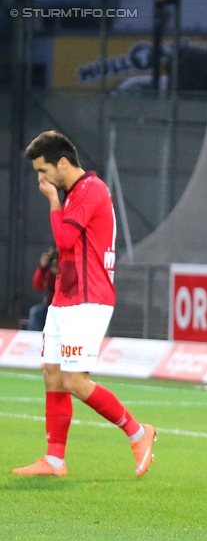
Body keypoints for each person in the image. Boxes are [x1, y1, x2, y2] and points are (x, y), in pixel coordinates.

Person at [15, 131, 156, 478]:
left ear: (63, 163)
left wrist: (51, 200)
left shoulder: (90, 189)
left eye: (43, 171)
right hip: (66, 298)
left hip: (88, 299)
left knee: (75, 381)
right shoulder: (74, 191)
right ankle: (54, 460)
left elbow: (64, 240)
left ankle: (138, 433)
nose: (41, 179)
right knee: (52, 375)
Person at [28, 247, 58, 331]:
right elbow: (38, 286)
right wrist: (42, 268)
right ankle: (37, 341)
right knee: (36, 312)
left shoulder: (70, 265)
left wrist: (60, 274)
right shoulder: (48, 272)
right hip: (50, 306)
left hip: (66, 307)